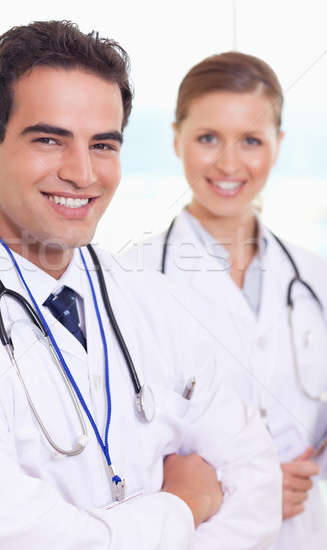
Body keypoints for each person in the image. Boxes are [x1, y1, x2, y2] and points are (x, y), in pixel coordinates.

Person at [0, 24, 281, 550]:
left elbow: (256, 485)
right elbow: (8, 537)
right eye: (49, 139)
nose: (82, 172)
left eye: (103, 144)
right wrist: (184, 504)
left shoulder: (158, 301)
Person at [123, 51, 327, 549]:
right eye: (208, 138)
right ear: (176, 138)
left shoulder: (315, 276)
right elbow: (122, 451)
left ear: (278, 146)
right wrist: (253, 490)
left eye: (252, 140)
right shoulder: (131, 277)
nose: (229, 163)